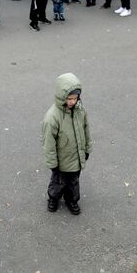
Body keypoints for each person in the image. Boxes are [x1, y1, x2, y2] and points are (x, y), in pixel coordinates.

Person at [42, 73, 92, 216]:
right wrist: (53, 163)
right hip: (61, 160)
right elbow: (48, 143)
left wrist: (87, 148)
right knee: (58, 181)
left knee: (74, 182)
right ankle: (53, 198)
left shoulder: (80, 111)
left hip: (76, 157)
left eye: (75, 98)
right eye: (69, 99)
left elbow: (86, 129)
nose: (72, 102)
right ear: (61, 96)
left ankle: (72, 200)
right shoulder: (52, 117)